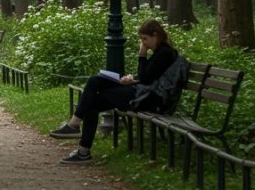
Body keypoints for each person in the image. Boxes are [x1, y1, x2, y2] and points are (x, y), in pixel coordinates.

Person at [49, 19, 182, 163]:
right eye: (142, 40)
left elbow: (145, 78)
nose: (143, 43)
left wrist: (142, 55)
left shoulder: (165, 53)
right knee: (95, 81)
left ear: (155, 35)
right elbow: (148, 77)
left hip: (150, 100)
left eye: (145, 39)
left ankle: (78, 139)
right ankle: (80, 145)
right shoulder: (160, 52)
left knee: (92, 99)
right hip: (143, 93)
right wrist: (131, 80)